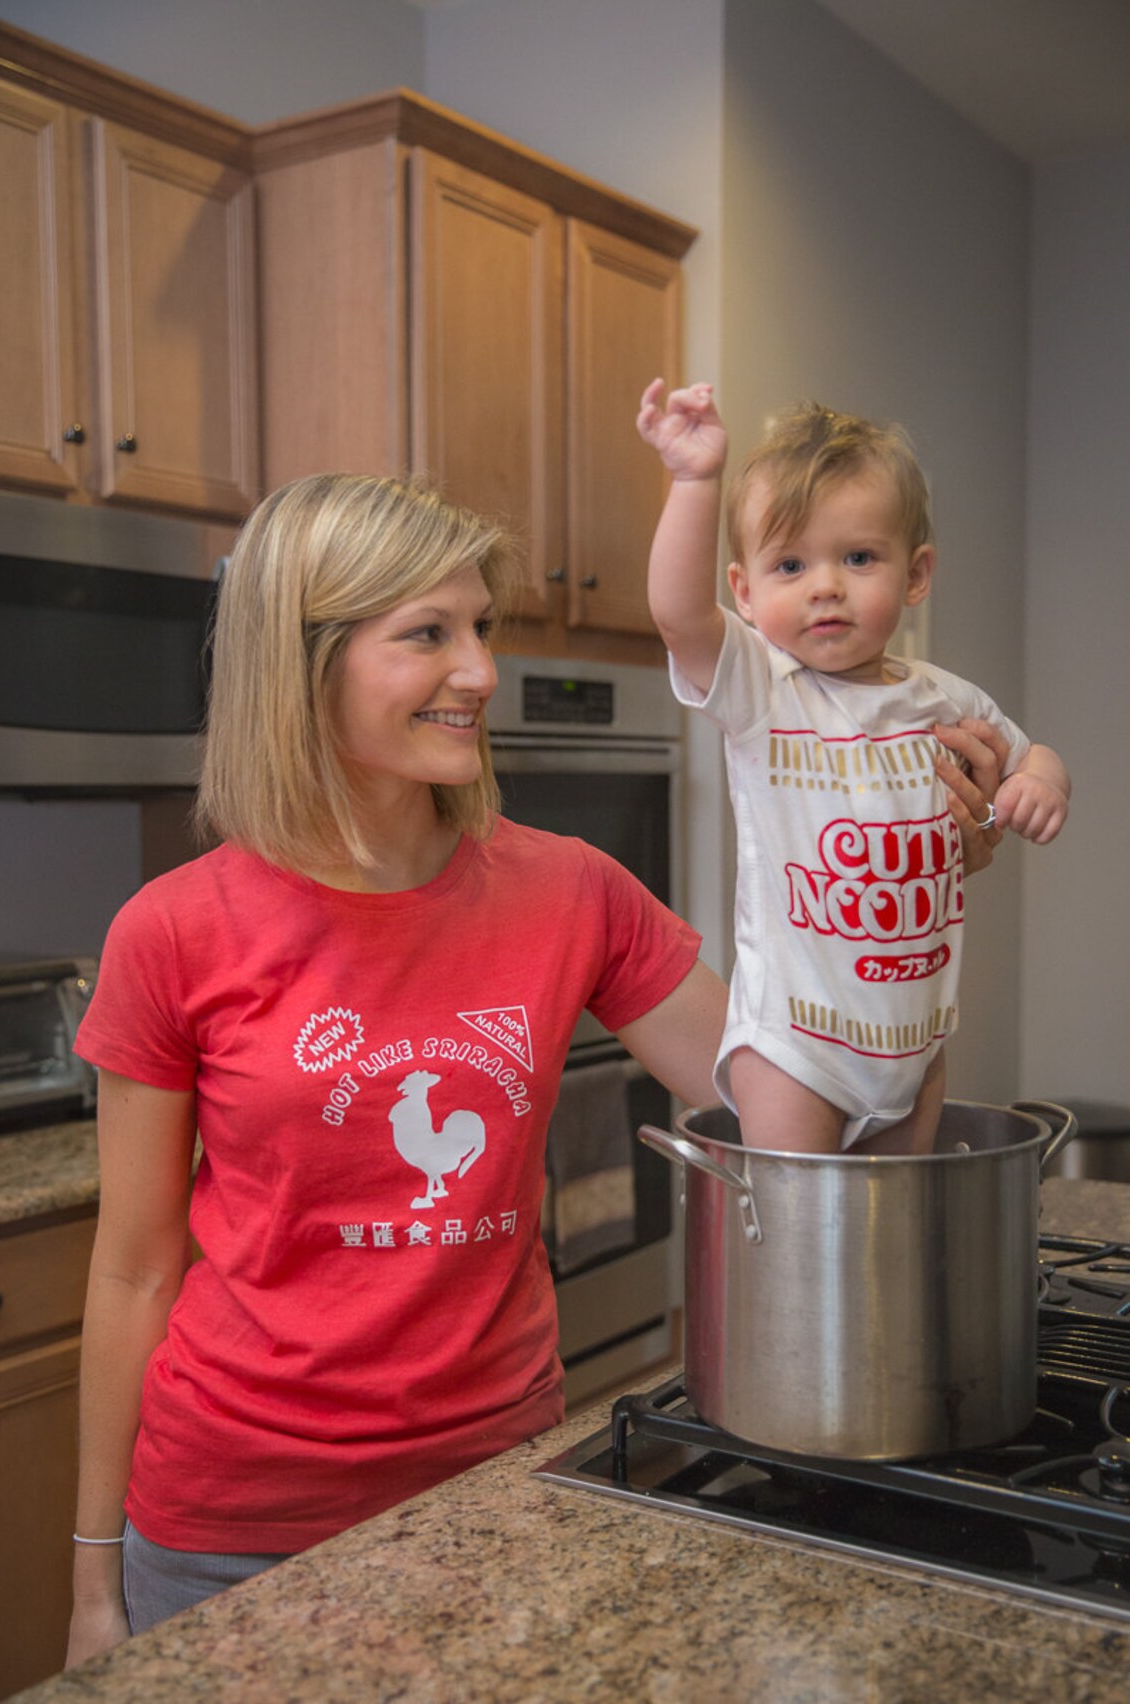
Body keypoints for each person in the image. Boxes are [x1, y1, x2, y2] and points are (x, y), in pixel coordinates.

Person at [65, 471, 1003, 1665]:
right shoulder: (173, 930)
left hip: (496, 1492)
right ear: (304, 666)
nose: (480, 672)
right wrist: (96, 1574)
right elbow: (136, 1274)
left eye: (480, 628)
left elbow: (781, 1106)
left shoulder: (570, 890)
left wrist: (907, 909)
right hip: (231, 1526)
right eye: (427, 636)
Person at [637, 379, 1069, 1157]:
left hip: (917, 1042)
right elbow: (676, 614)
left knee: (889, 1250)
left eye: (858, 557)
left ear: (915, 574)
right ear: (745, 590)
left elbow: (1028, 754)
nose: (826, 584)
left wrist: (1040, 780)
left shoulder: (944, 699)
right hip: (796, 1050)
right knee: (805, 1243)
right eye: (791, 565)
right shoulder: (762, 688)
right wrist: (695, 480)